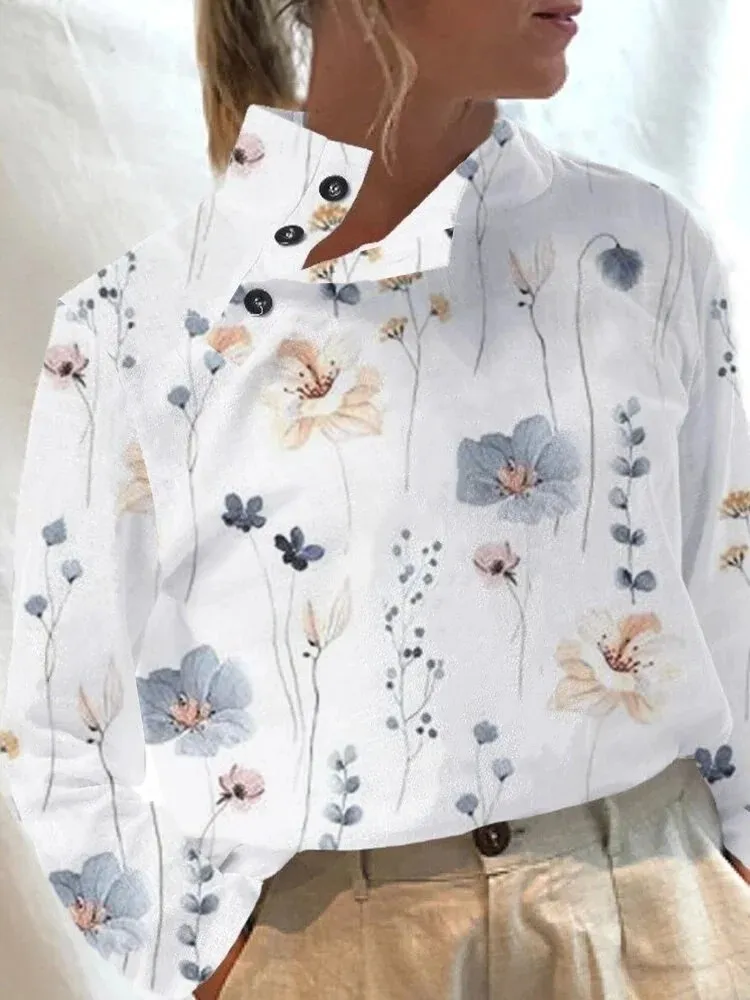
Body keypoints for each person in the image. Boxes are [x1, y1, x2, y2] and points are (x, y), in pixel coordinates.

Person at [2, 0, 750, 998]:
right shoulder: (137, 325)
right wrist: (207, 955)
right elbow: (60, 715)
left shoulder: (646, 252)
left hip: (663, 913)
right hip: (332, 946)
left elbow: (729, 580)